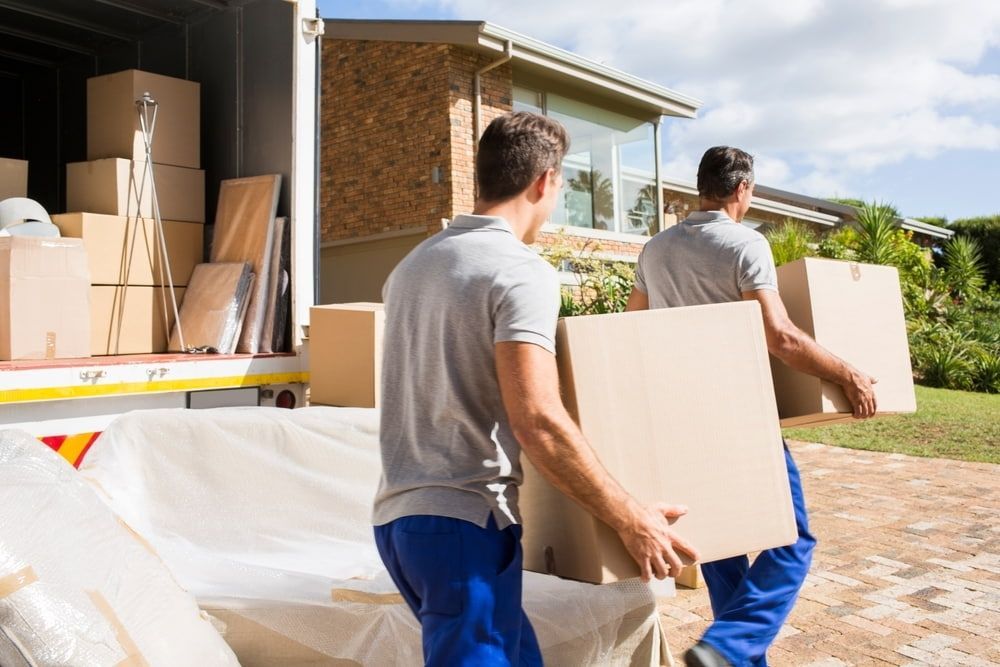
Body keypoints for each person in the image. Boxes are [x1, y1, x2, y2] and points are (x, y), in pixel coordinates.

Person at [373, 111, 700, 666]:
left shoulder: (411, 267)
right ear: (545, 181)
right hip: (463, 526)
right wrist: (630, 517)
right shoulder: (519, 270)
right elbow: (539, 420)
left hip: (401, 522)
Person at [626, 146, 878, 667]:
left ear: (701, 187)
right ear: (743, 189)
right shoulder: (745, 243)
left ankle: (730, 656)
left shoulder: (654, 250)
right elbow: (780, 337)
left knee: (722, 544)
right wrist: (847, 374)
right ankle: (728, 645)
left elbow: (632, 329)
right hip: (738, 416)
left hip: (680, 416)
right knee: (793, 538)